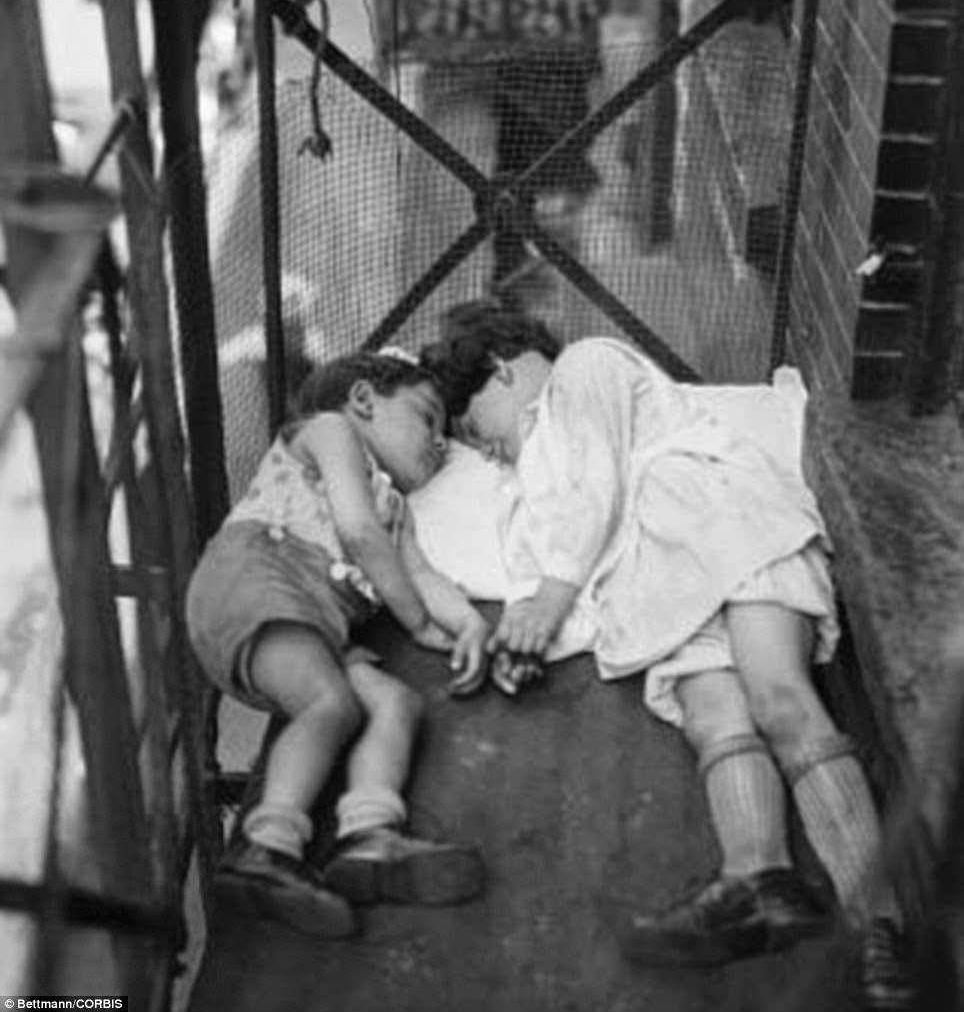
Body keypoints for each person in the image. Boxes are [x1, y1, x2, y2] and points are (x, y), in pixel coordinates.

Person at [421, 303, 914, 1010]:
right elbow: (561, 573)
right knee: (713, 715)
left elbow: (598, 488)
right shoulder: (529, 480)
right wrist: (529, 643)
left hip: (719, 517)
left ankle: (881, 925)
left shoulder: (583, 368)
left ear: (501, 371)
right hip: (659, 582)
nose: (486, 451)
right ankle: (760, 878)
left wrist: (549, 599)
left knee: (778, 696)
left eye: (476, 429)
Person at [186, 351, 489, 938]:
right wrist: (420, 627)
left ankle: (370, 835)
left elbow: (422, 578)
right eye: (428, 418)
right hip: (258, 578)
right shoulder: (331, 432)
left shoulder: (394, 507)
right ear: (363, 401)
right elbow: (357, 533)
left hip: (310, 615)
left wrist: (468, 624)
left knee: (397, 704)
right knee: (334, 704)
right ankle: (266, 849)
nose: (439, 443)